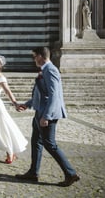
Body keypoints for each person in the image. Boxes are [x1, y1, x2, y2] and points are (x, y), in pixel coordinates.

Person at [15, 47, 80, 187]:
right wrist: (27, 104)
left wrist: (47, 116)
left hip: (45, 114)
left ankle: (70, 173)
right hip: (40, 112)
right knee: (36, 142)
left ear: (40, 56)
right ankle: (33, 172)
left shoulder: (50, 70)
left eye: (34, 57)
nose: (33, 60)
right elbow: (41, 94)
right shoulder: (44, 70)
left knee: (50, 144)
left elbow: (54, 95)